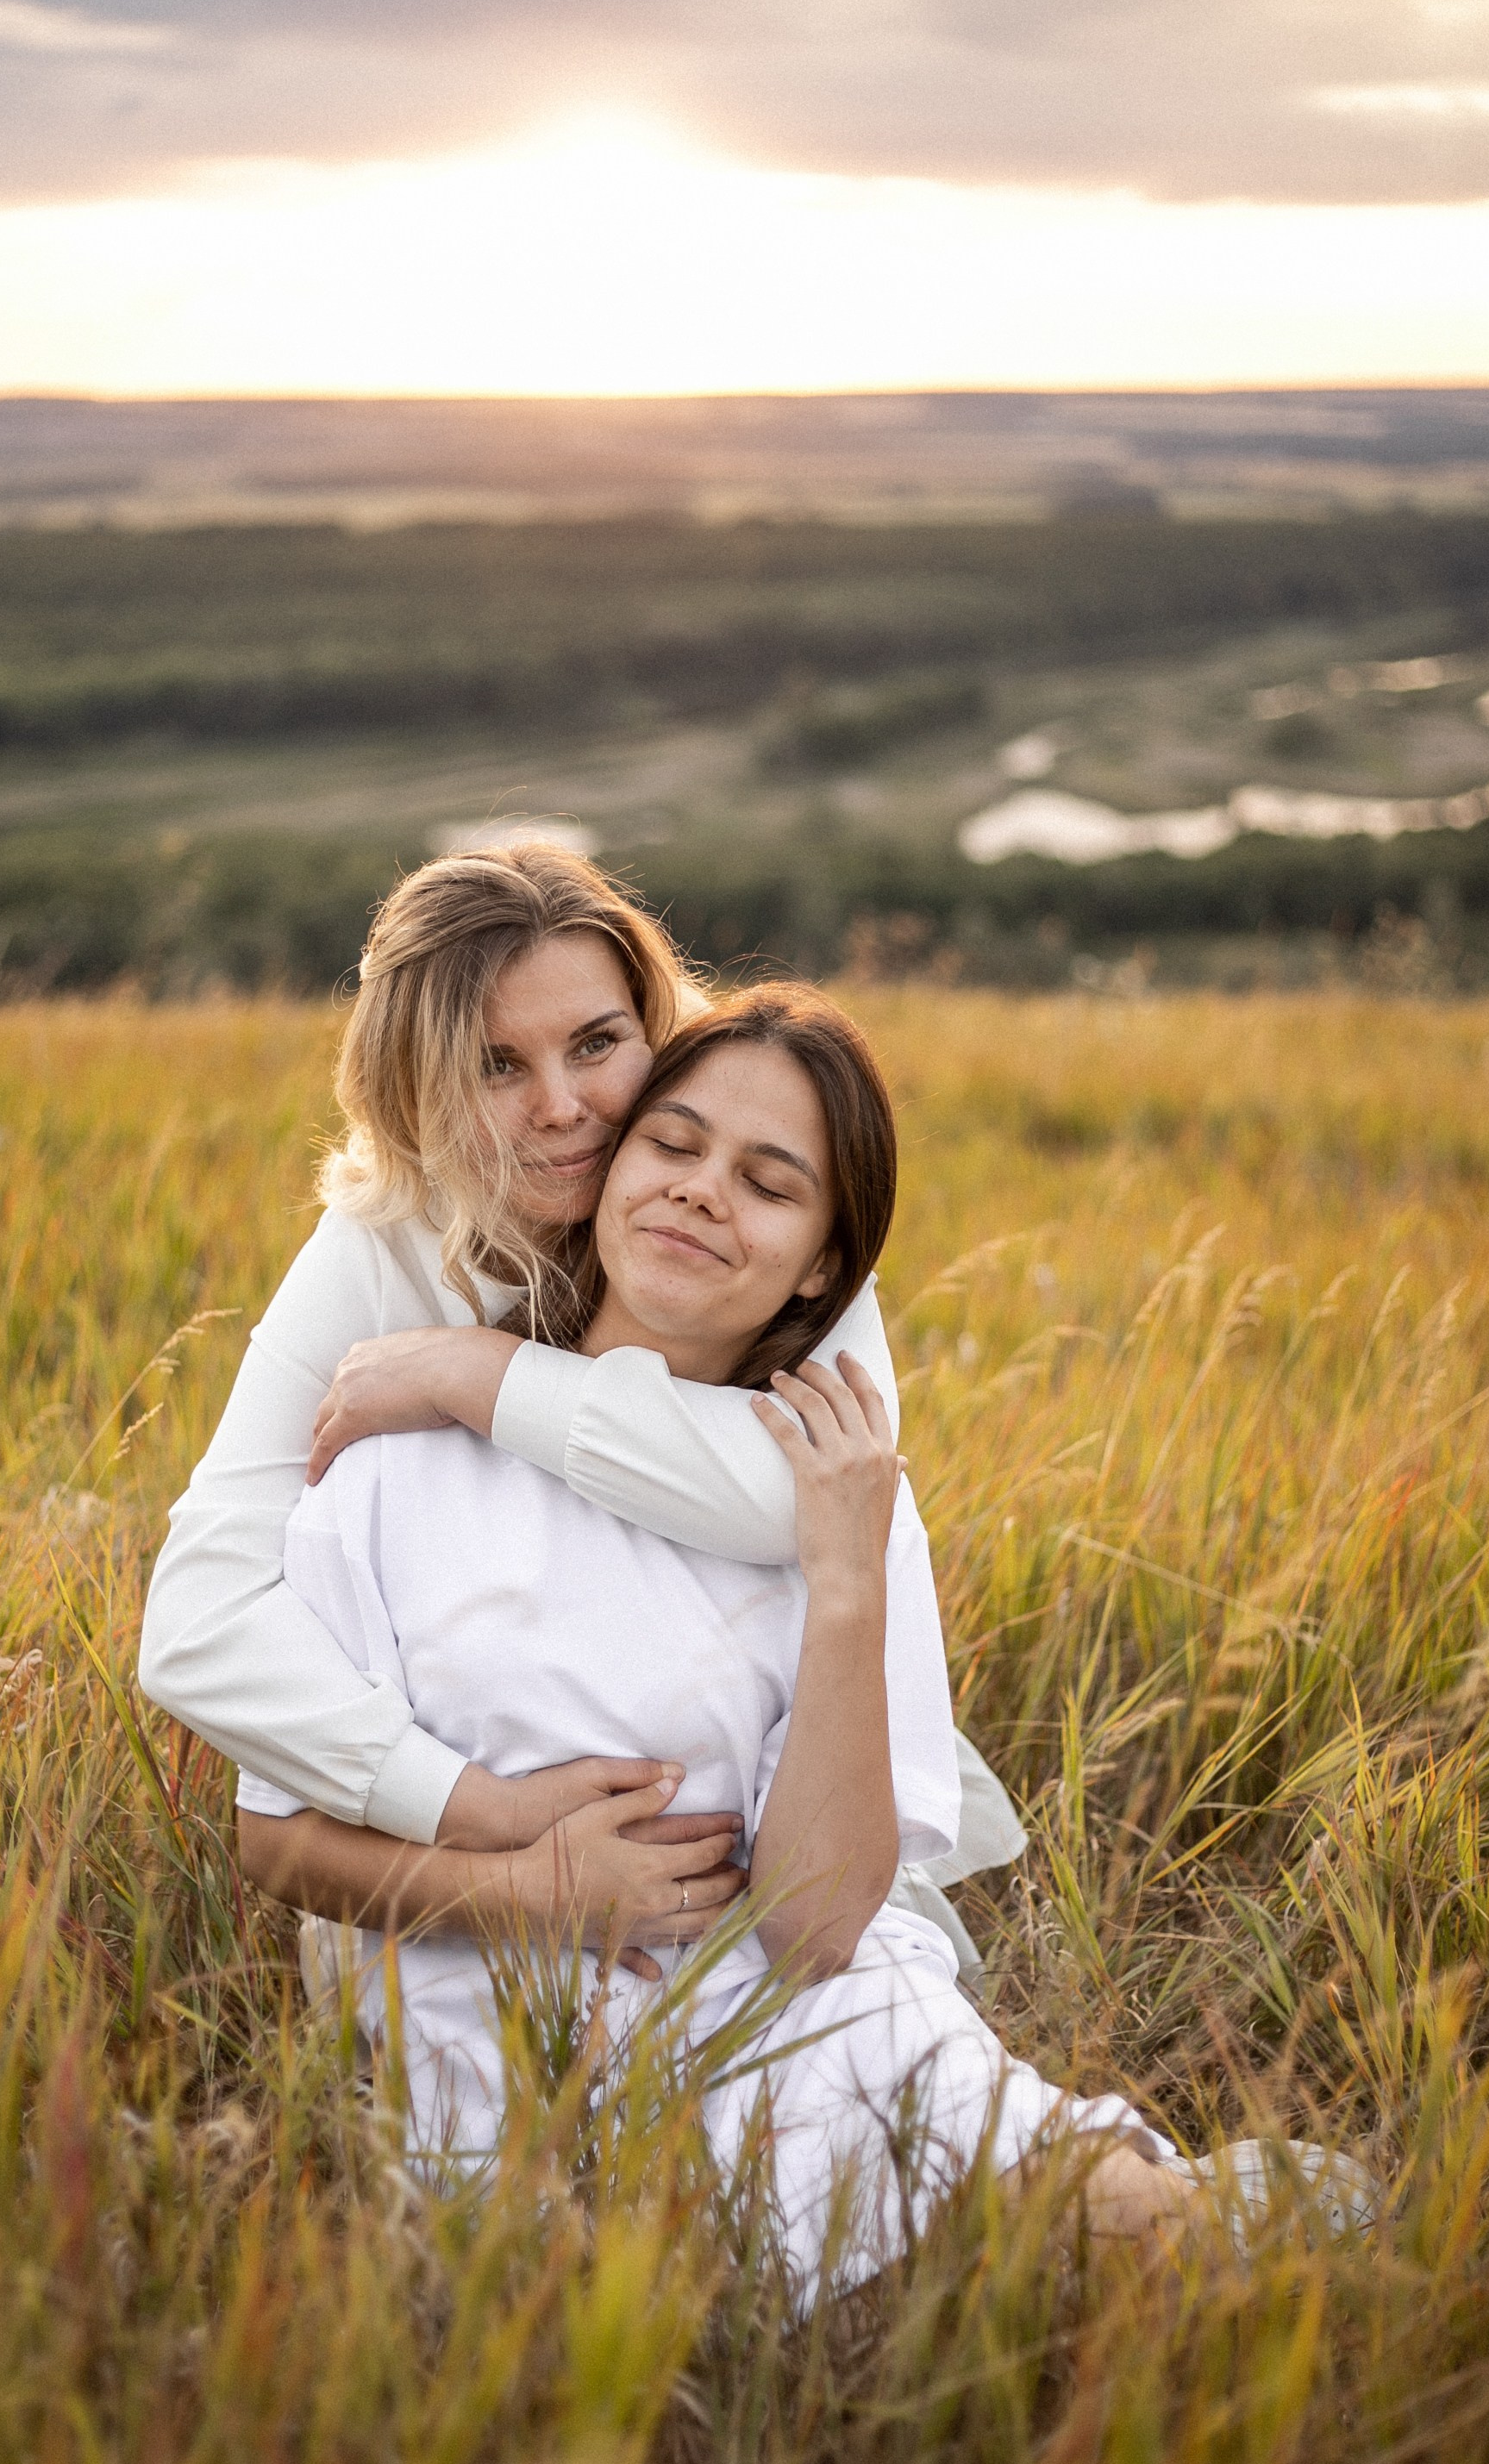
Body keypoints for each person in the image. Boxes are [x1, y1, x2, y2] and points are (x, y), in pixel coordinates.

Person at [236, 986, 1193, 2297]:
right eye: (673, 1146)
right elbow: (274, 1837)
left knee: (1131, 2242)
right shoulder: (398, 1461)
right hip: (502, 2017)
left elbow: (811, 1931)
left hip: (806, 2005)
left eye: (768, 1180)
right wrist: (535, 1897)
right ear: (611, 1169)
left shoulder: (837, 1488)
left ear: (819, 1266)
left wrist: (848, 1588)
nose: (698, 1192)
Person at [139, 841, 1023, 1945]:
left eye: (597, 1044)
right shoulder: (381, 1245)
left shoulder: (725, 1183)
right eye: (494, 1066)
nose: (563, 1108)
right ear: (415, 1091)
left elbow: (799, 1496)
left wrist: (478, 1374)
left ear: (654, 1031)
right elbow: (196, 1624)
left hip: (741, 1724)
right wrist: (481, 1818)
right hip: (482, 1754)